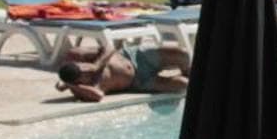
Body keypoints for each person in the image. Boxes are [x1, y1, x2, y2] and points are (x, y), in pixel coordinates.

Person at [56, 41, 190, 103]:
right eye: (84, 75)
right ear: (77, 82)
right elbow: (98, 96)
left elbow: (109, 48)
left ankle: (190, 73)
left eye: (83, 67)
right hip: (139, 82)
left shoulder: (79, 55)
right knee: (183, 85)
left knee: (182, 54)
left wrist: (97, 65)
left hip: (135, 56)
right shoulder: (81, 89)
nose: (87, 71)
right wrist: (70, 85)